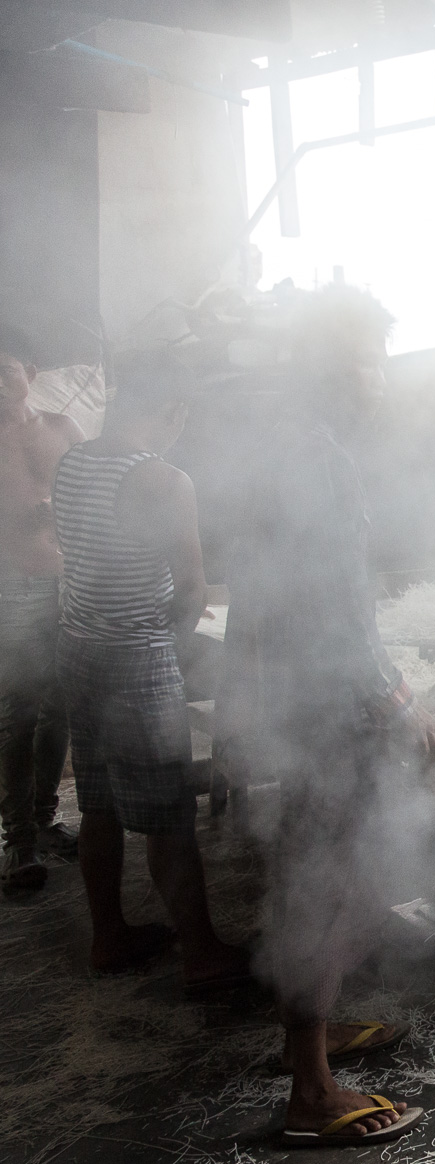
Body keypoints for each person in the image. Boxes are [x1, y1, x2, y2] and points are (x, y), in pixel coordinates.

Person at [225, 286, 435, 1145]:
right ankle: (312, 1094)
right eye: (371, 358)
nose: (381, 376)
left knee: (309, 873)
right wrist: (401, 700)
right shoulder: (319, 460)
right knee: (329, 881)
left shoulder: (282, 448)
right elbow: (339, 612)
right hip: (329, 710)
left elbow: (257, 594)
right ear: (333, 367)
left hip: (292, 702)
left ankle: (307, 1041)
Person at [51, 350, 253, 985]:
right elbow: (191, 593)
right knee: (169, 814)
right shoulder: (164, 480)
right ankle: (202, 955)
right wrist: (166, 648)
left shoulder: (73, 460)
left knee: (100, 803)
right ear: (173, 411)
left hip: (77, 646)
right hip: (136, 657)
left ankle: (109, 937)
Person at [0, 329, 82, 892]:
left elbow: (93, 492)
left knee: (59, 708)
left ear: (28, 369)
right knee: (18, 712)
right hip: (12, 585)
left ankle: (47, 818)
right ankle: (18, 841)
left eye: (3, 369)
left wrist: (59, 509)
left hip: (68, 581)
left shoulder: (60, 427)